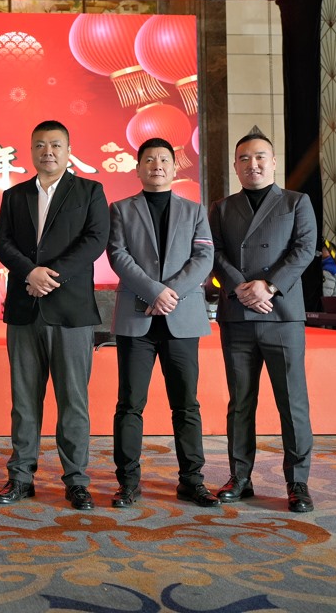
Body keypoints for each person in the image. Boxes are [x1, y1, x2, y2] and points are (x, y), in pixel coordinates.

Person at [0, 120, 109, 511]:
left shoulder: (89, 191)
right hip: (25, 309)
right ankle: (20, 477)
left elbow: (95, 240)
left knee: (73, 401)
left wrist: (50, 276)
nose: (48, 152)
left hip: (71, 311)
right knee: (24, 401)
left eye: (56, 145)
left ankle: (76, 480)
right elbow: (2, 242)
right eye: (40, 145)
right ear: (31, 150)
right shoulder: (14, 195)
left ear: (68, 150)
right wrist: (30, 273)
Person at [209, 132, 318, 513]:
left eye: (259, 157)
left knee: (292, 401)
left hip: (282, 314)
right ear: (235, 165)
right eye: (244, 158)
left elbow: (304, 249)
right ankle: (240, 477)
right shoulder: (222, 207)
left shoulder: (295, 202)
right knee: (240, 401)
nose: (252, 164)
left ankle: (298, 482)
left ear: (273, 162)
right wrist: (241, 287)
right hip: (238, 315)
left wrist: (268, 285)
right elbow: (215, 253)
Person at [107, 137, 216, 509]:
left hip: (181, 318)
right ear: (138, 168)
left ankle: (192, 481)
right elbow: (118, 255)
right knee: (129, 404)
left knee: (186, 405)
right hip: (136, 320)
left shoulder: (194, 210)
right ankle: (128, 483)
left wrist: (172, 293)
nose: (157, 165)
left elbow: (203, 257)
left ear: (174, 166)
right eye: (149, 160)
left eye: (164, 160)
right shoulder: (121, 209)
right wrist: (154, 291)